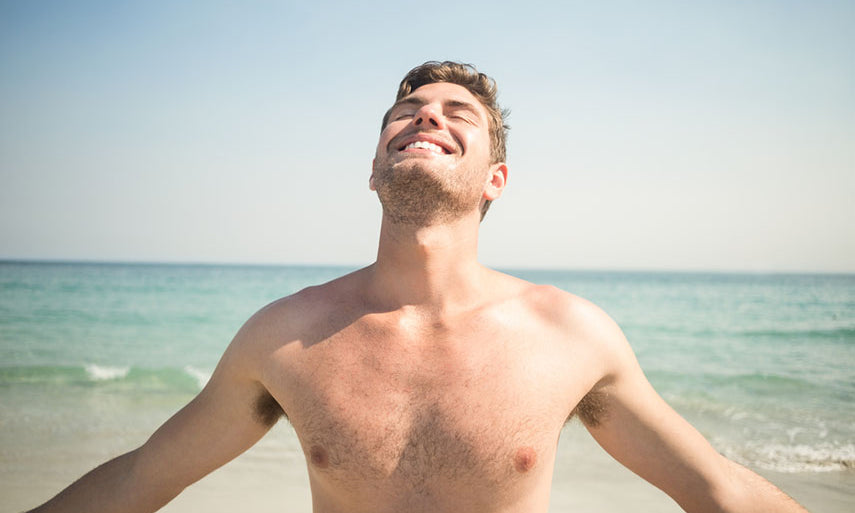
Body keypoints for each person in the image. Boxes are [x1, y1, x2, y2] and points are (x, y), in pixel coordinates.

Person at [28, 61, 809, 513]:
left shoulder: (569, 334)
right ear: (374, 167)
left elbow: (716, 491)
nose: (424, 116)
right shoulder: (284, 336)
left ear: (495, 179)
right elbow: (139, 480)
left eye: (454, 112)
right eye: (405, 110)